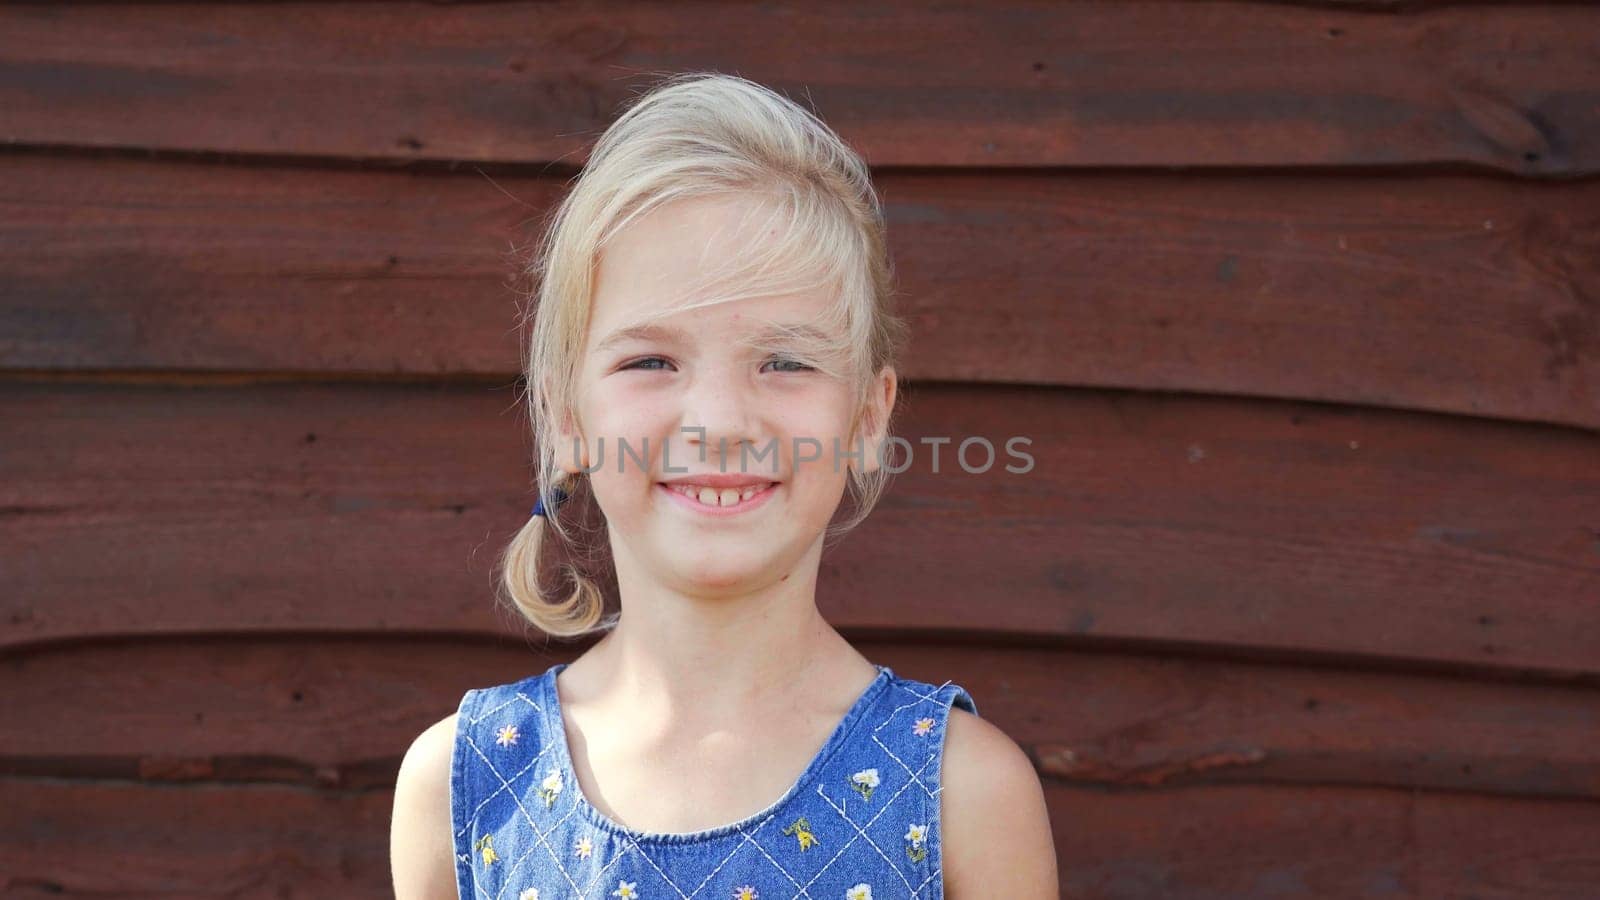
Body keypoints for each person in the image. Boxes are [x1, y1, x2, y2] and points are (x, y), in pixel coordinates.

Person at [391, 71, 1057, 899]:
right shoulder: (466, 785)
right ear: (566, 416)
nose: (719, 420)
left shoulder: (963, 795)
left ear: (865, 420)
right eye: (650, 361)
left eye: (785, 361)